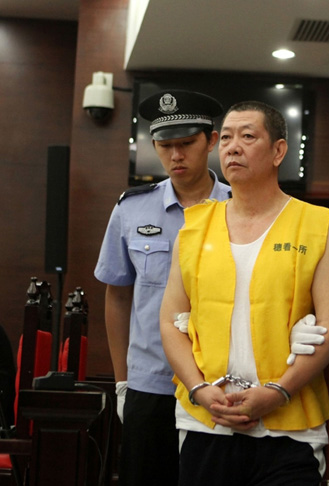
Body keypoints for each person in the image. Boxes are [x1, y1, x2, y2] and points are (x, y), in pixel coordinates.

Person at [160, 100, 329, 486]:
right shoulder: (193, 228)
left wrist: (279, 391)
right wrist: (198, 389)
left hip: (290, 428)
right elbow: (169, 322)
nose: (233, 147)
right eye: (227, 138)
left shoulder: (316, 225)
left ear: (278, 151)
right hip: (206, 422)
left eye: (248, 136)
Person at [94, 89, 230, 485]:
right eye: (165, 146)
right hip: (150, 384)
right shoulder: (131, 209)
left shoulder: (238, 207)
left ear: (211, 141)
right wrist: (122, 381)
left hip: (220, 384)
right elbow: (118, 295)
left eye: (186, 144)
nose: (175, 156)